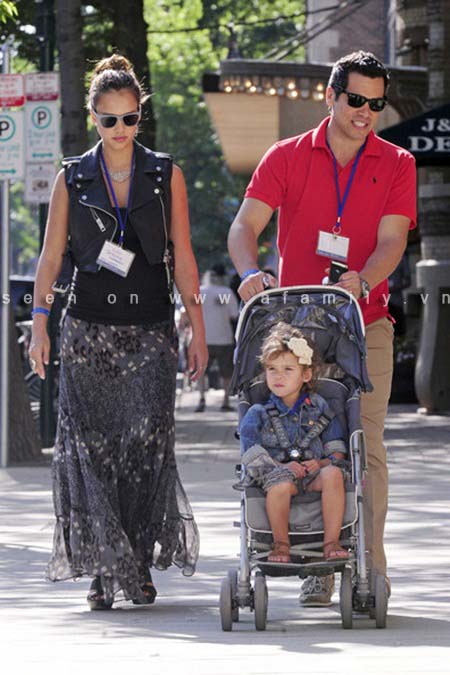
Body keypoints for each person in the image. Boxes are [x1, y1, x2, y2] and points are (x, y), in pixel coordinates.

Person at [228, 51, 417, 605]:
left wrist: (364, 279)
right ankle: (317, 563)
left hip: (364, 321)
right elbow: (246, 225)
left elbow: (392, 240)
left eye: (376, 104)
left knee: (364, 444)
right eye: (355, 99)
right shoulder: (286, 156)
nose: (365, 112)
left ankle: (369, 570)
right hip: (296, 330)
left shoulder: (397, 162)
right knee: (300, 444)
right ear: (331, 96)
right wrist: (248, 271)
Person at [29, 54, 208, 610]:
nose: (121, 130)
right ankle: (105, 571)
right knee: (93, 453)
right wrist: (40, 325)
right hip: (88, 334)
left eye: (130, 118)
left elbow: (183, 256)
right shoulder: (73, 177)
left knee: (146, 449)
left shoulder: (165, 175)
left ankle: (136, 560)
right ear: (93, 119)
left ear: (140, 115)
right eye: (109, 120)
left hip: (151, 331)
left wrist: (198, 327)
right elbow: (50, 258)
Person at [239, 323, 348, 569]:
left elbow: (337, 450)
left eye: (288, 369)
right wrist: (281, 468)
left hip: (313, 475)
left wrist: (320, 463)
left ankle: (331, 542)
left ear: (305, 375)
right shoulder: (258, 413)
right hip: (275, 476)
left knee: (333, 474)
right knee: (279, 485)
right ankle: (281, 544)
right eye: (272, 369)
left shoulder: (320, 407)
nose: (279, 376)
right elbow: (250, 454)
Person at [195, 263, 239, 412]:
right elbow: (234, 314)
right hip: (224, 337)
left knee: (201, 371)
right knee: (226, 373)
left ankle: (201, 398)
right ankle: (225, 400)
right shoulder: (226, 292)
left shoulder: (199, 291)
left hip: (203, 338)